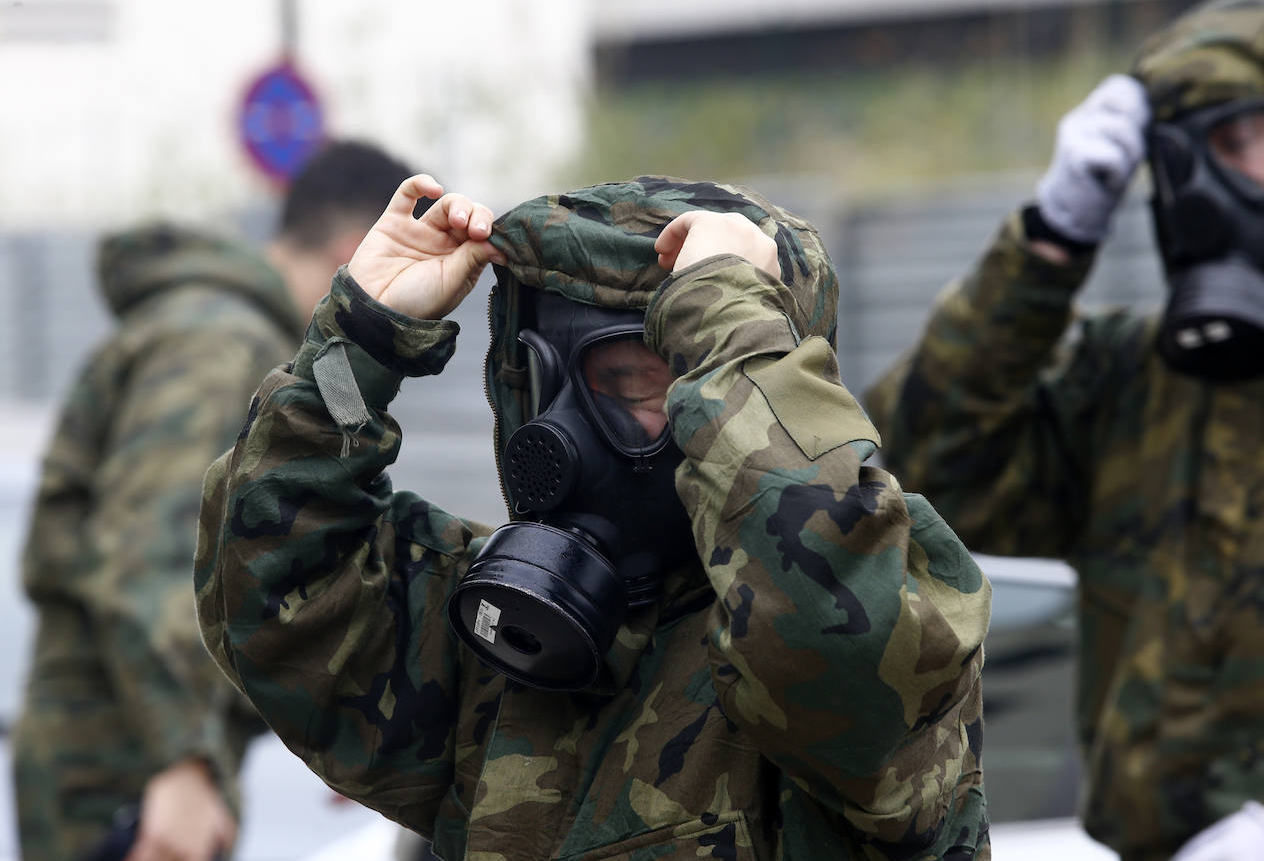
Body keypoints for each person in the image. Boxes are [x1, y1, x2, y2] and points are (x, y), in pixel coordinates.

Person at [193, 174, 993, 860]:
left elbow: (830, 626)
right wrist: (362, 343)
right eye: (554, 383)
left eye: (639, 385)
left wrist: (724, 315)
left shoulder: (899, 612)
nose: (562, 432)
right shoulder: (508, 646)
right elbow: (269, 595)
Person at [863, 0, 1264, 860]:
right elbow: (904, 483)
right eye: (1173, 155)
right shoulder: (1133, 384)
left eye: (1237, 140)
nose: (1201, 189)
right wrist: (1048, 245)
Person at [11, 139, 422, 861]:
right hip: (127, 768)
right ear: (361, 251)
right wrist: (184, 762)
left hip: (136, 754)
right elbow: (152, 554)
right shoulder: (216, 343)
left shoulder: (242, 343)